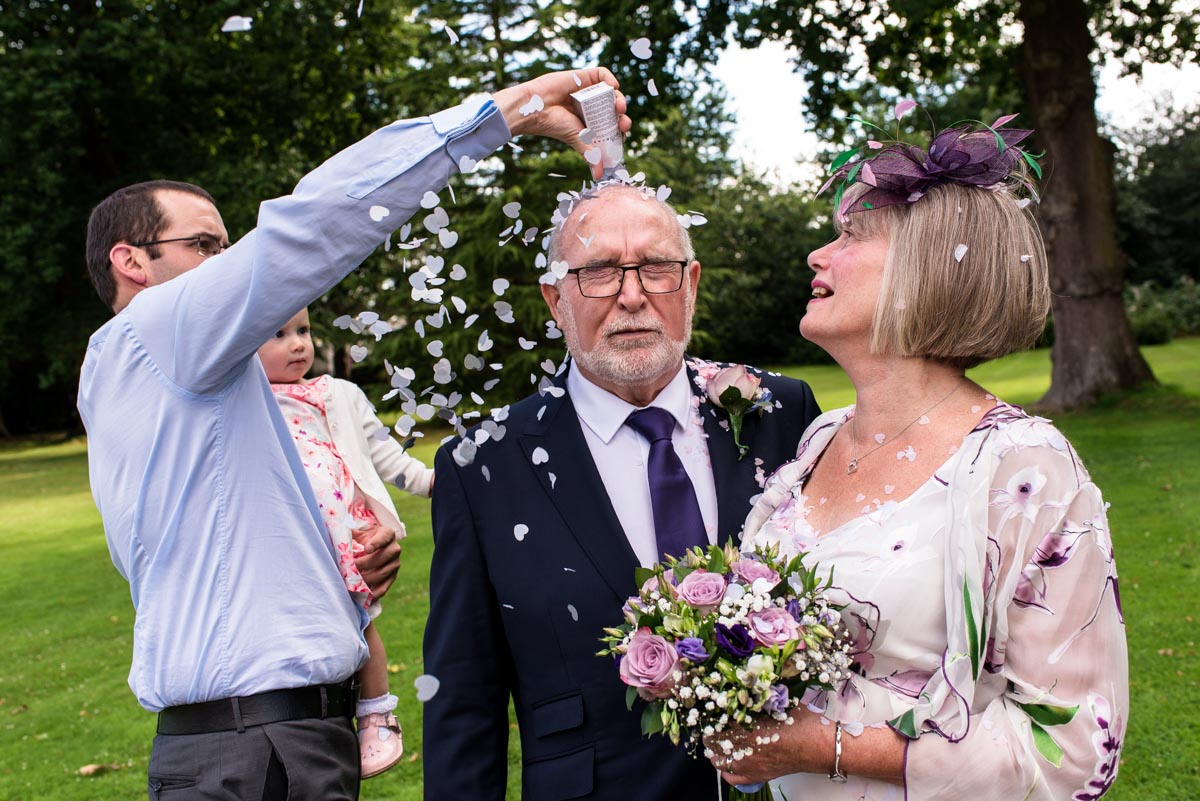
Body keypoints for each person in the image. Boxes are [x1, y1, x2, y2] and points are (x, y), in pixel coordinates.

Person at [77, 68, 630, 801]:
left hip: (275, 744)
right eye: (208, 245)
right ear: (131, 262)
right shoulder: (157, 333)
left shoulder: (189, 379)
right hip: (254, 755)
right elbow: (308, 225)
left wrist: (340, 559)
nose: (228, 261)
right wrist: (500, 115)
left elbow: (226, 532)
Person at [714, 118, 1128, 800]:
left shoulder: (1026, 469)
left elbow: (1076, 748)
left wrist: (821, 746)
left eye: (850, 236)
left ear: (926, 266)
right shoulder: (821, 438)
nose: (818, 254)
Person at [422, 182, 823, 800]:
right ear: (556, 300)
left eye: (655, 269)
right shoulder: (483, 465)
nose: (632, 296)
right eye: (600, 272)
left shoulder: (782, 412)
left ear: (689, 285)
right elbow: (463, 703)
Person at [257, 306, 434, 778]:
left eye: (303, 331)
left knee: (362, 622)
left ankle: (377, 714)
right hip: (294, 542)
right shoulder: (246, 401)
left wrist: (430, 482)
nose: (298, 343)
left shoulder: (338, 394)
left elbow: (384, 453)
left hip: (348, 533)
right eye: (278, 333)